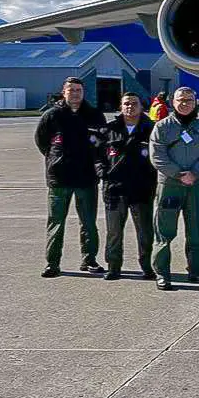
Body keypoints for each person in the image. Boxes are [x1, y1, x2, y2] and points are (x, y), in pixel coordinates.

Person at [35, 77, 107, 278]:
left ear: (83, 93)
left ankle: (89, 259)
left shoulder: (94, 115)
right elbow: (42, 142)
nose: (75, 93)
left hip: (86, 178)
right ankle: (52, 263)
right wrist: (55, 160)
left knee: (89, 223)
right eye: (71, 90)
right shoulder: (52, 115)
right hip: (60, 178)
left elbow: (102, 143)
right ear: (63, 92)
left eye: (78, 90)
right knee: (56, 222)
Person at [150, 87, 199, 290]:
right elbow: (157, 156)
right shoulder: (162, 127)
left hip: (194, 186)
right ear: (173, 101)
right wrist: (179, 174)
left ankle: (195, 271)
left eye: (189, 100)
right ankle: (162, 273)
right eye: (181, 100)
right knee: (164, 231)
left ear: (195, 102)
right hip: (170, 185)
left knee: (195, 229)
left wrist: (195, 173)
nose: (185, 103)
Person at [96, 92, 156, 280]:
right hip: (115, 188)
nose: (130, 107)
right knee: (114, 232)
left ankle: (147, 266)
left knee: (145, 232)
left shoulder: (152, 129)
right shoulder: (109, 129)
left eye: (134, 103)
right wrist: (102, 171)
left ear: (141, 106)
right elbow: (97, 155)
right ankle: (113, 266)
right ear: (121, 107)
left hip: (142, 188)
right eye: (126, 104)